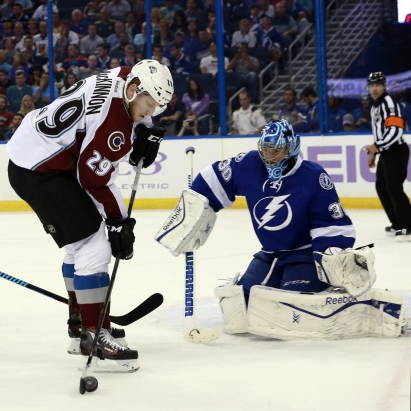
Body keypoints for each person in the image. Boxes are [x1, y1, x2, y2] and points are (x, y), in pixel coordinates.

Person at [155, 119, 406, 340]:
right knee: (240, 302)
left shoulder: (313, 176)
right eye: (266, 149)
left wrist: (329, 256)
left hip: (305, 253)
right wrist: (194, 210)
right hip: (271, 253)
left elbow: (330, 222)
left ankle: (359, 305)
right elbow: (215, 178)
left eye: (277, 150)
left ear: (291, 147)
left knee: (291, 305)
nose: (270, 156)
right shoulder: (251, 164)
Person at [6, 60, 173, 371]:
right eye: (149, 105)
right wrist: (120, 222)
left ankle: (80, 321)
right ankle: (94, 334)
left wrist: (146, 130)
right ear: (135, 89)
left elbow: (98, 146)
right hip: (41, 171)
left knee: (77, 245)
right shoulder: (115, 126)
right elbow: (92, 178)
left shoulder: (123, 75)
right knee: (95, 246)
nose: (150, 113)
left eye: (156, 108)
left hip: (33, 154)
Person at [363, 72, 411, 241]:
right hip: (386, 152)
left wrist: (377, 146)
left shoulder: (389, 103)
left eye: (377, 85)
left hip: (396, 151)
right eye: (371, 85)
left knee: (394, 187)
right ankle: (397, 223)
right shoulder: (375, 106)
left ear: (384, 86)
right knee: (382, 187)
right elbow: (379, 133)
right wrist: (375, 152)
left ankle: (408, 226)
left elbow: (396, 131)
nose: (374, 88)